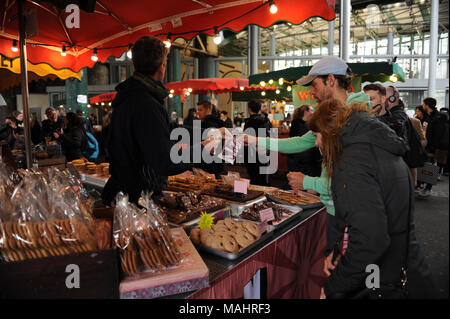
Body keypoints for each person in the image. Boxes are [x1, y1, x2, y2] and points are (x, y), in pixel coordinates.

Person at [241, 56, 371, 257]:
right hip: (333, 208)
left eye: (315, 84)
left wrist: (309, 181)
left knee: (341, 270)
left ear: (330, 80)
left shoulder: (353, 118)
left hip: (347, 213)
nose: (311, 91)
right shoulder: (333, 115)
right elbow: (299, 142)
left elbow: (352, 181)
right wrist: (254, 140)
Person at [307, 98, 436, 299]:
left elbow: (371, 239)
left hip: (382, 279)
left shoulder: (352, 161)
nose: (316, 142)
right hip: (403, 265)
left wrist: (334, 286)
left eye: (317, 135)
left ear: (330, 132)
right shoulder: (376, 146)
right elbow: (366, 216)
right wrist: (340, 251)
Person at [102, 36, 218, 205]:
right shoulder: (145, 103)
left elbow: (169, 129)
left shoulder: (131, 96)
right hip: (132, 199)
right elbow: (166, 162)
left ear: (135, 65)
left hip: (122, 192)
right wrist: (203, 148)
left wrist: (208, 133)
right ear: (162, 66)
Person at [417, 97, 449, 197]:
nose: (422, 106)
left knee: (431, 168)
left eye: (423, 104)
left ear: (427, 105)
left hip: (432, 148)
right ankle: (422, 186)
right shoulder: (428, 116)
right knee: (424, 166)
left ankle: (428, 188)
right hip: (426, 146)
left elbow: (438, 136)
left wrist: (432, 150)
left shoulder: (437, 118)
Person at [287, 105, 321, 178]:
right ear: (306, 112)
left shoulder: (304, 124)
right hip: (301, 161)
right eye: (311, 110)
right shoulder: (298, 125)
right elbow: (300, 143)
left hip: (304, 160)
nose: (313, 112)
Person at [243, 99, 272, 186]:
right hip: (263, 152)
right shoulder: (266, 121)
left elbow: (245, 139)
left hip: (250, 154)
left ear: (249, 109)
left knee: (253, 177)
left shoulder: (249, 122)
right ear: (260, 108)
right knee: (262, 177)